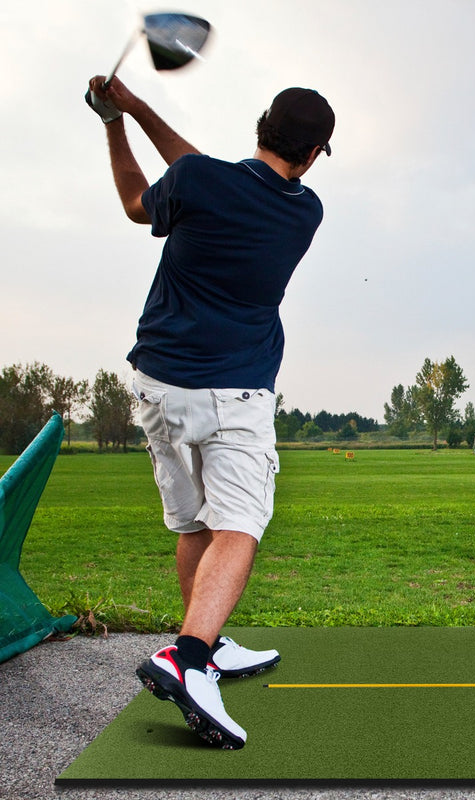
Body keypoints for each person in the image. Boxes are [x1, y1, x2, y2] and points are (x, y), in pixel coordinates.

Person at [86, 75, 335, 750]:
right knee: (241, 524)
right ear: (313, 153)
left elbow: (144, 200)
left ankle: (209, 640)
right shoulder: (303, 212)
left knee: (195, 521)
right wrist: (132, 109)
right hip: (235, 391)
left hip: (157, 386)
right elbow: (213, 177)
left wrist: (118, 119)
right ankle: (188, 660)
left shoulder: (198, 181)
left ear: (261, 127)